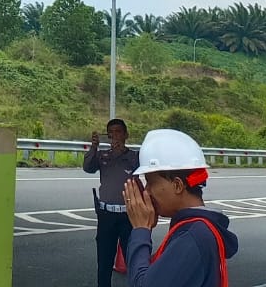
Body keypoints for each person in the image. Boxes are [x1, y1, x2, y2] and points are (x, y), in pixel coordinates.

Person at [121, 128, 237, 286]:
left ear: (177, 185)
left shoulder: (192, 236)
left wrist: (141, 229)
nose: (147, 191)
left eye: (151, 182)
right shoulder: (197, 229)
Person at [85, 118, 140, 287]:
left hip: (128, 215)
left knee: (133, 260)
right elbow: (88, 168)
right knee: (104, 261)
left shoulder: (133, 156)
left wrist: (122, 152)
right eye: (111, 132)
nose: (114, 135)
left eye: (118, 131)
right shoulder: (103, 156)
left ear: (125, 135)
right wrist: (94, 147)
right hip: (106, 215)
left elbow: (139, 168)